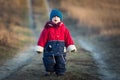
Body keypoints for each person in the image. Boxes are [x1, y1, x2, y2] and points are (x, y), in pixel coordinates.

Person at [35, 9, 77, 76]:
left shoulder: (64, 29)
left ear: (60, 19)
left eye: (57, 17)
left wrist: (71, 46)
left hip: (60, 50)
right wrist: (40, 47)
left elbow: (68, 38)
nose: (56, 18)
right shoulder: (47, 29)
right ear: (51, 19)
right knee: (49, 61)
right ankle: (49, 71)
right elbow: (42, 39)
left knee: (61, 62)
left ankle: (60, 72)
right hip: (49, 50)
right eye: (54, 17)